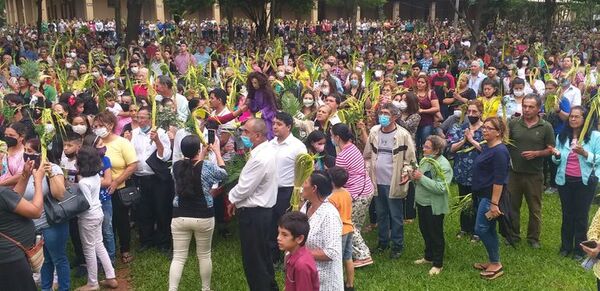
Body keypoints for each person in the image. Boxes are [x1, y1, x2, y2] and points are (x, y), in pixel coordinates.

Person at [169, 135, 227, 291]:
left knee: (178, 257)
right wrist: (217, 153)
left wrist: (200, 156)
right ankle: (205, 289)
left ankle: (172, 289)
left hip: (179, 215)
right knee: (204, 255)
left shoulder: (176, 166)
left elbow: (192, 168)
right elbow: (223, 174)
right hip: (203, 216)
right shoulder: (207, 166)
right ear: (198, 149)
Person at [227, 118, 278, 291]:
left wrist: (232, 198)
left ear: (257, 135)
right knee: (262, 255)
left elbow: (244, 188)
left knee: (254, 260)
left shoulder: (260, 158)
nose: (242, 135)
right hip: (261, 211)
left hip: (254, 213)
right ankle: (270, 286)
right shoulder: (263, 151)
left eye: (246, 132)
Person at [14, 138, 69, 290]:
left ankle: (64, 288)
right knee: (43, 261)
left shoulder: (53, 168)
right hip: (33, 226)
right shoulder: (26, 170)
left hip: (51, 223)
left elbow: (59, 194)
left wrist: (49, 173)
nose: (26, 154)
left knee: (58, 258)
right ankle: (46, 288)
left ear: (41, 153)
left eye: (30, 152)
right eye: (25, 150)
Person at [363, 102, 416, 259]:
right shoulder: (374, 132)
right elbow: (367, 155)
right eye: (381, 113)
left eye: (386, 113)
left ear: (395, 116)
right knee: (381, 214)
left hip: (394, 182)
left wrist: (406, 172)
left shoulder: (403, 135)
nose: (382, 116)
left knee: (396, 215)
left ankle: (397, 245)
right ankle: (383, 242)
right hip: (377, 182)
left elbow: (411, 160)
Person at [549, 106, 600, 260]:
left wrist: (584, 153)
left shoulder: (595, 137)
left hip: (585, 181)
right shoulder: (562, 136)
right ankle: (565, 247)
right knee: (567, 213)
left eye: (577, 116)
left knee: (581, 215)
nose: (573, 119)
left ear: (585, 119)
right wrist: (556, 156)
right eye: (571, 116)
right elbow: (556, 160)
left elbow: (598, 158)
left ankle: (580, 249)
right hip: (565, 181)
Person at [506, 94, 555, 248]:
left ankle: (533, 238)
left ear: (538, 108)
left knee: (535, 208)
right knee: (512, 206)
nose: (526, 110)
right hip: (514, 173)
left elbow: (551, 149)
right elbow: (506, 144)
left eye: (531, 107)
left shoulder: (545, 126)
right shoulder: (513, 123)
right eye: (524, 106)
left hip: (534, 174)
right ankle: (513, 235)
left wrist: (537, 153)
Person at [93, 111, 138, 264]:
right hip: (99, 190)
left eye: (101, 125)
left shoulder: (122, 143)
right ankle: (106, 251)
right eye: (95, 126)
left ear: (111, 125)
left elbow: (132, 165)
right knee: (105, 222)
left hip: (118, 188)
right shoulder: (95, 143)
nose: (98, 129)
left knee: (121, 220)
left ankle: (124, 249)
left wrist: (116, 181)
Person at [75, 146, 119, 290]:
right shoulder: (95, 177)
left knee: (88, 249)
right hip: (98, 213)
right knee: (99, 244)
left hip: (88, 217)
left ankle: (92, 283)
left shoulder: (83, 183)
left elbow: (85, 203)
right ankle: (110, 276)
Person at [472, 117, 510, 280]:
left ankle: (496, 265)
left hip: (490, 196)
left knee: (481, 228)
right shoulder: (488, 147)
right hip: (482, 194)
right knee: (489, 229)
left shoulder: (500, 151)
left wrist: (494, 203)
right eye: (484, 127)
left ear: (499, 132)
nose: (484, 130)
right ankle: (494, 260)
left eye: (489, 128)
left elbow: (499, 179)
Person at [331, 123, 374, 268]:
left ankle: (364, 255)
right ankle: (351, 253)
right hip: (366, 189)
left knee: (350, 225)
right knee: (357, 225)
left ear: (337, 137)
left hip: (357, 194)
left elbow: (339, 178)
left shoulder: (342, 156)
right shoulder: (353, 147)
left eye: (332, 135)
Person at [131, 107, 173, 253]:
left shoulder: (160, 133)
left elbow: (166, 156)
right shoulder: (134, 133)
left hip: (157, 178)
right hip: (140, 177)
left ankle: (163, 241)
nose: (140, 120)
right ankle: (146, 239)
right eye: (138, 117)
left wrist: (157, 141)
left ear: (150, 118)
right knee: (143, 210)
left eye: (143, 117)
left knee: (161, 209)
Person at [270, 112, 307, 265]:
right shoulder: (270, 144)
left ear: (289, 126)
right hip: (270, 190)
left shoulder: (298, 146)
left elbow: (304, 171)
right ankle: (273, 256)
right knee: (271, 223)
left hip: (287, 191)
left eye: (279, 124)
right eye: (273, 124)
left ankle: (288, 256)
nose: (274, 127)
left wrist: (301, 194)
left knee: (285, 223)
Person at [0, 160, 44, 291]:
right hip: (11, 259)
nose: (2, 163)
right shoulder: (1, 193)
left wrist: (25, 175)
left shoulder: (3, 195)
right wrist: (39, 181)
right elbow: (36, 211)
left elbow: (13, 201)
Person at [412, 135, 452, 275]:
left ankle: (438, 263)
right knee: (425, 230)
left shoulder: (443, 165)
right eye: (424, 145)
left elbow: (441, 188)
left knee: (435, 234)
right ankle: (428, 257)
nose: (423, 148)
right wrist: (412, 176)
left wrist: (420, 178)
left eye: (427, 147)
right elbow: (419, 177)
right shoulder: (425, 160)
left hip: (433, 206)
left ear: (436, 150)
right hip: (422, 203)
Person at [299, 171, 343, 291]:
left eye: (306, 182)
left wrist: (299, 252)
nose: (303, 184)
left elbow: (332, 252)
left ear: (314, 188)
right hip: (306, 275)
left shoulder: (329, 215)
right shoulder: (307, 206)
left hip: (325, 282)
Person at [448, 100, 485, 240]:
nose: (471, 114)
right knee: (463, 200)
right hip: (463, 170)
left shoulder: (486, 129)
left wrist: (472, 140)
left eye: (474, 112)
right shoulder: (459, 127)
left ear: (480, 113)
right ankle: (464, 228)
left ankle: (477, 231)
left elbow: (487, 150)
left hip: (480, 172)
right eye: (469, 111)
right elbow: (451, 148)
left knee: (478, 202)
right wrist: (464, 140)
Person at [326, 166, 355, 290]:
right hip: (349, 228)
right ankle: (350, 284)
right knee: (348, 258)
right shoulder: (346, 192)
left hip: (339, 231)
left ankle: (336, 284)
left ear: (331, 181)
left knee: (336, 260)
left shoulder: (331, 198)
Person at [277, 211, 320, 291]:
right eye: (279, 233)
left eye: (284, 235)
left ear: (300, 239)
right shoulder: (292, 254)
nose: (278, 238)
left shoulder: (301, 265)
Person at [0, 122, 27, 186]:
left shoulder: (24, 154)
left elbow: (20, 176)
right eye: (6, 135)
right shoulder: (3, 149)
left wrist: (1, 184)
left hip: (13, 192)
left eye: (11, 135)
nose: (8, 137)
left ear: (21, 137)